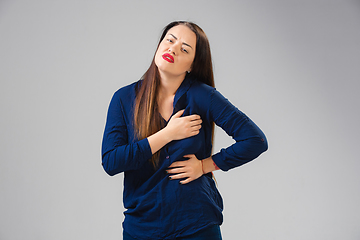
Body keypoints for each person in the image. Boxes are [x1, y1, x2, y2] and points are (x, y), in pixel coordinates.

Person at [101, 21, 268, 240]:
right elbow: (112, 162)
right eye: (169, 40)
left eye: (184, 48)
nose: (173, 48)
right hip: (142, 228)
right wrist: (168, 134)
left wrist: (204, 165)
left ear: (192, 65)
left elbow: (255, 139)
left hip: (196, 225)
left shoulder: (202, 95)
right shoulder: (124, 98)